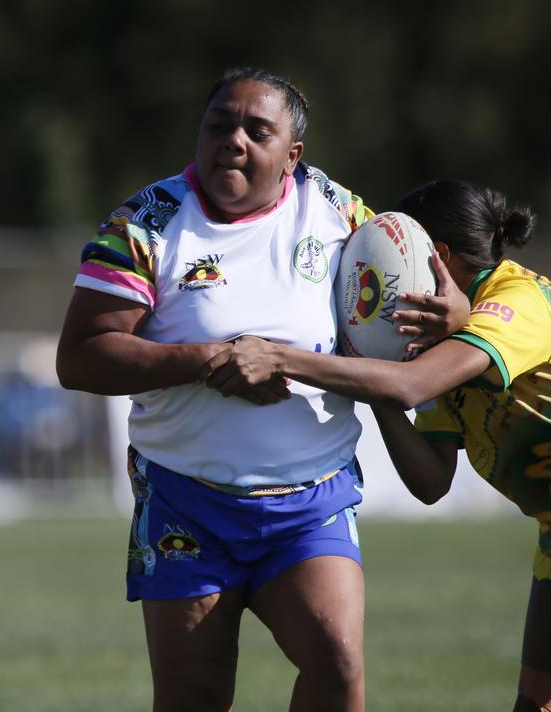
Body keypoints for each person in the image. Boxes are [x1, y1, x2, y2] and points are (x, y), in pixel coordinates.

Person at [57, 66, 462, 712]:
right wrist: (208, 359)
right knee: (196, 697)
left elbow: (415, 285)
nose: (234, 141)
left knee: (338, 662)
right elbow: (79, 359)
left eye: (256, 130)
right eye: (219, 125)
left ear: (293, 156)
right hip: (186, 504)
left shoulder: (337, 210)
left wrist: (459, 313)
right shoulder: (147, 222)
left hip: (311, 501)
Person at [202, 178, 550, 711]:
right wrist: (375, 370)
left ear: (437, 258)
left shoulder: (519, 300)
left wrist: (280, 357)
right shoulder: (436, 347)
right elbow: (432, 481)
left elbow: (410, 386)